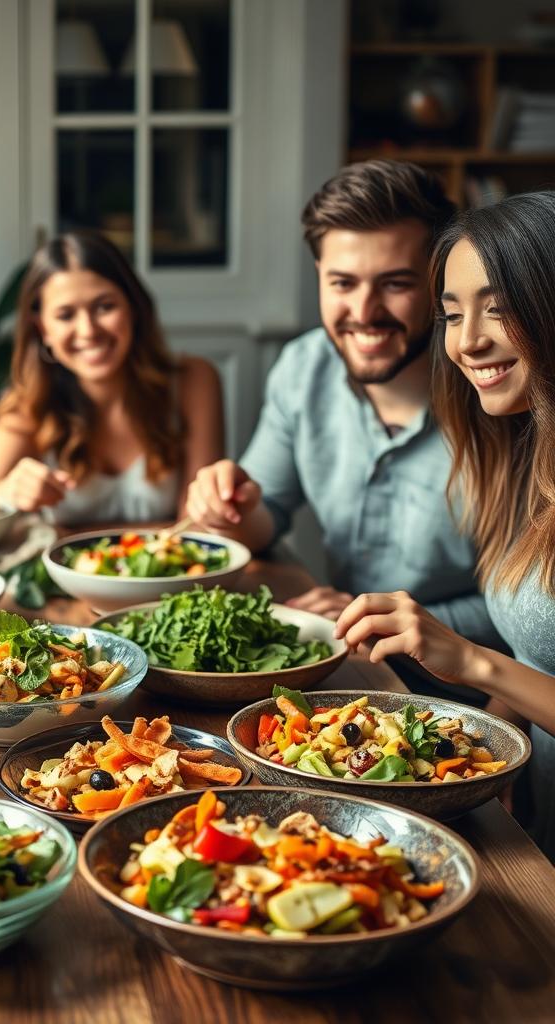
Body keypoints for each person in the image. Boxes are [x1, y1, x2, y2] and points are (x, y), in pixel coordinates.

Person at [185, 159, 500, 656]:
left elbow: (529, 613)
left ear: (440, 282)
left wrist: (381, 618)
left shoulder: (500, 394)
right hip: (350, 664)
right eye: (342, 283)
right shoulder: (304, 366)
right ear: (319, 275)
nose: (364, 313)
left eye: (395, 284)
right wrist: (229, 508)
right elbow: (265, 513)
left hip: (476, 685)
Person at [334, 191, 555, 857]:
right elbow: (538, 651)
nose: (466, 342)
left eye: (500, 309)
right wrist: (498, 743)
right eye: (454, 315)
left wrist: (472, 663)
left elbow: (506, 659)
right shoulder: (526, 458)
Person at [0, 230, 223, 524]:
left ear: (134, 308)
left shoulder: (194, 380)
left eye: (105, 306)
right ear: (43, 329)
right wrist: (8, 492)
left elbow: (199, 523)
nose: (88, 330)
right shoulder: (27, 404)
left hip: (171, 567)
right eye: (66, 315)